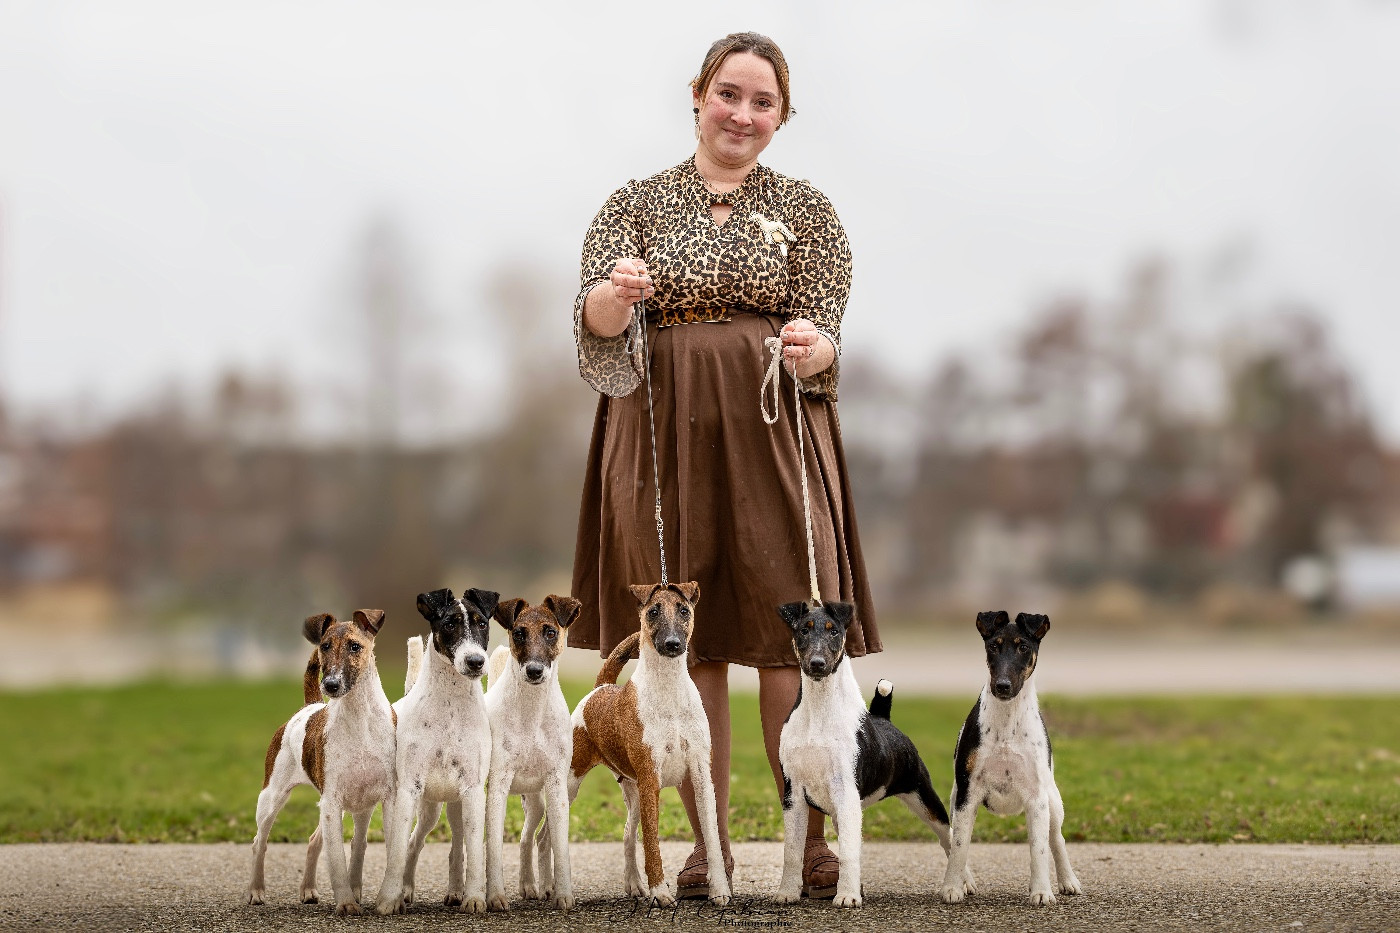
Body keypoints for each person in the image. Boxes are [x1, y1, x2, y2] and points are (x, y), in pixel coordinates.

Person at [568, 31, 880, 900]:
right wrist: (613, 298)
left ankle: (807, 839)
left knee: (792, 627)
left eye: (762, 102)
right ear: (698, 96)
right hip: (659, 431)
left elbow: (825, 334)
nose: (742, 114)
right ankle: (705, 847)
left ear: (781, 118)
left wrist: (814, 347)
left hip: (773, 429)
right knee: (683, 636)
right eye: (729, 94)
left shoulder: (808, 211)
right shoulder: (634, 203)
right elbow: (592, 321)